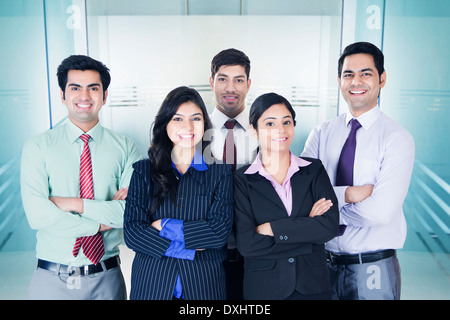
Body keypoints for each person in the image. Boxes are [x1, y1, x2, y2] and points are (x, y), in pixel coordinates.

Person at [20, 55, 141, 300]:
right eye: (75, 88)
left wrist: (72, 204)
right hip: (51, 279)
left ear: (104, 96)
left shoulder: (127, 148)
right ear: (62, 95)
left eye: (93, 88)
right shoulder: (38, 147)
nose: (84, 96)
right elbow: (39, 215)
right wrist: (101, 222)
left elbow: (132, 212)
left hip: (107, 278)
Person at [301, 41, 415, 300]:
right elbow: (302, 194)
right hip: (321, 265)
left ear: (382, 79)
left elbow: (380, 213)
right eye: (348, 74)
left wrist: (325, 210)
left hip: (373, 268)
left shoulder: (397, 139)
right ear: (339, 81)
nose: (356, 82)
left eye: (366, 73)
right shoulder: (321, 133)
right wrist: (350, 194)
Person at [123, 86, 233, 300]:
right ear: (165, 124)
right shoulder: (143, 171)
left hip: (203, 287)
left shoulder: (220, 172)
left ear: (205, 125)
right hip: (152, 285)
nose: (188, 126)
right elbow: (133, 233)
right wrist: (191, 247)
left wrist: (164, 226)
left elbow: (219, 232)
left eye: (196, 119)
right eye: (178, 119)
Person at [234, 92, 339, 300]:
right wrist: (308, 228)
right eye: (270, 124)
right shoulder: (243, 179)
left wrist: (273, 229)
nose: (280, 130)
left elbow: (329, 227)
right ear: (254, 130)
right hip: (264, 290)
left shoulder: (314, 170)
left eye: (286, 122)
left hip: (312, 287)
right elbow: (247, 244)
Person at [207, 48, 259, 299]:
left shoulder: (265, 130)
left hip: (255, 254)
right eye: (223, 79)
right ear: (212, 82)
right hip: (206, 254)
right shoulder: (193, 130)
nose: (231, 88)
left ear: (248, 84)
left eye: (238, 80)